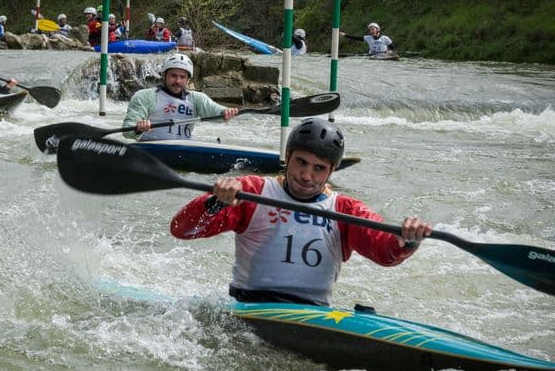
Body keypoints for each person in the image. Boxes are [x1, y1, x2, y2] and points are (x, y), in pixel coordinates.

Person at [170, 117, 432, 307]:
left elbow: (385, 252)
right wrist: (217, 201)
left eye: (319, 168)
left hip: (312, 314)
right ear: (288, 157)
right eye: (301, 163)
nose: (306, 176)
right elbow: (183, 229)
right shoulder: (252, 191)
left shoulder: (345, 210)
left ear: (331, 171)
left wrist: (406, 239)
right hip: (251, 304)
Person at [122, 53, 238, 141]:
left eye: (182, 77)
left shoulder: (197, 98)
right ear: (164, 75)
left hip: (183, 150)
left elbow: (215, 111)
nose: (178, 81)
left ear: (188, 80)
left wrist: (226, 112)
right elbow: (127, 130)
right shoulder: (145, 96)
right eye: (173, 76)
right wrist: (138, 128)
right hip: (152, 149)